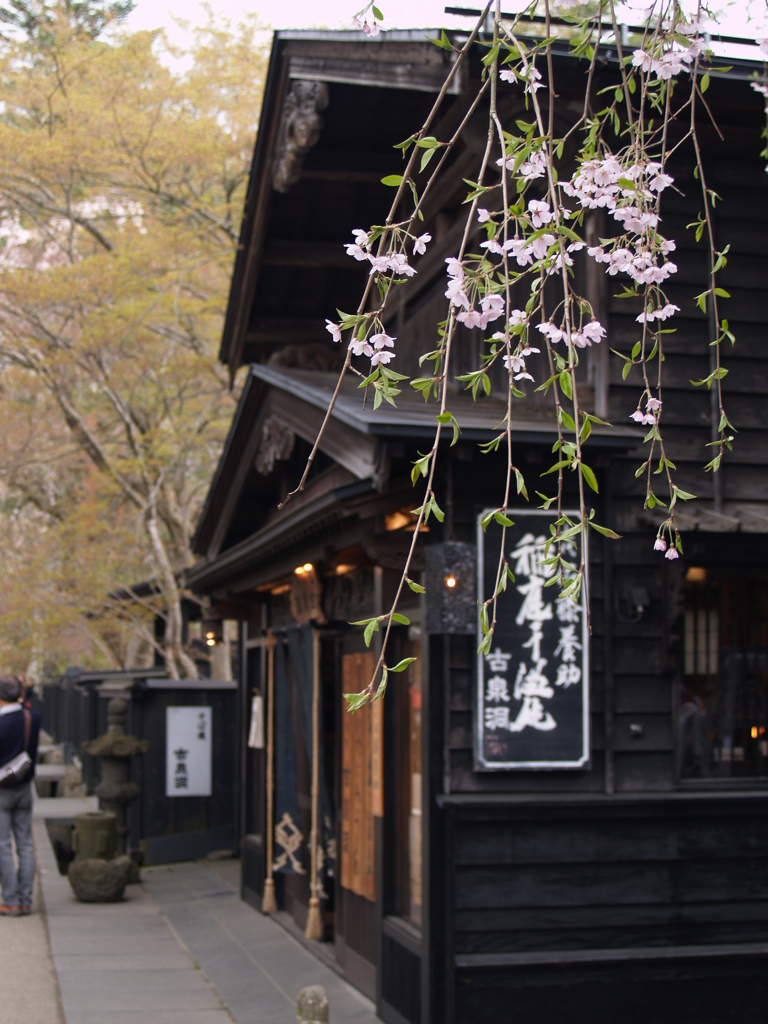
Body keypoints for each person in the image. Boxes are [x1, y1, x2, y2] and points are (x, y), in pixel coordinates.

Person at [0, 675, 41, 916]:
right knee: (25, 843)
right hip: (24, 788)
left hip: (2, 790)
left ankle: (11, 899)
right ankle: (25, 899)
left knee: (3, 845)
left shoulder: (2, 723)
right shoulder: (32, 717)